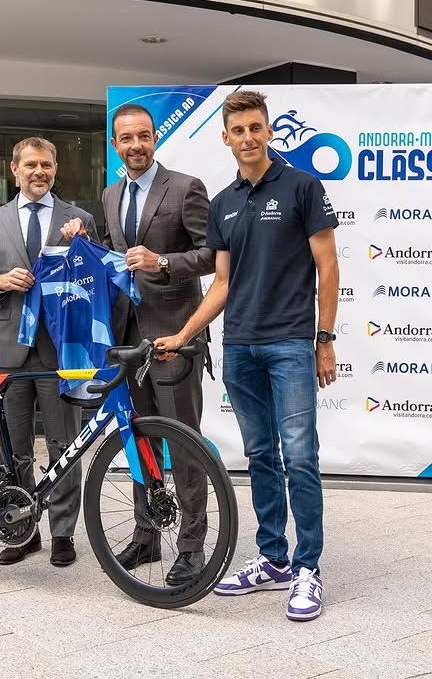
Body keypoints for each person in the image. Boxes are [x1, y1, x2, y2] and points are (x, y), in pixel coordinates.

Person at [155, 90, 340, 622]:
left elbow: (328, 266)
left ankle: (308, 569)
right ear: (226, 138)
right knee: (261, 455)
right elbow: (222, 284)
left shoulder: (303, 186)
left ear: (269, 131)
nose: (248, 138)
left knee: (300, 455)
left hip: (289, 344)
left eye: (256, 127)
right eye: (238, 131)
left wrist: (323, 339)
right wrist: (185, 332)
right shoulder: (224, 203)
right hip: (240, 347)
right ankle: (273, 558)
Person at [64, 103, 215, 586]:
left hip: (174, 335)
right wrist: (86, 239)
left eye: (144, 136)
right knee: (137, 439)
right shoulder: (111, 193)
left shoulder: (186, 187)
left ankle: (191, 547)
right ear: (114, 144)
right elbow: (115, 253)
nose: (135, 145)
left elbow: (212, 254)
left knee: (183, 445)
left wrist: (162, 263)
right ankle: (148, 534)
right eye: (126, 138)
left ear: (155, 139)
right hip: (127, 340)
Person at [0, 136, 99, 568]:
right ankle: (24, 530)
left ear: (55, 170)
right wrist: (2, 282)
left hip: (61, 350)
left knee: (65, 444)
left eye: (46, 165)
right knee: (14, 447)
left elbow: (95, 274)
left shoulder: (77, 217)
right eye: (31, 165)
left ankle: (63, 534)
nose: (39, 172)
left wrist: (81, 244)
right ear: (14, 169)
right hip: (11, 348)